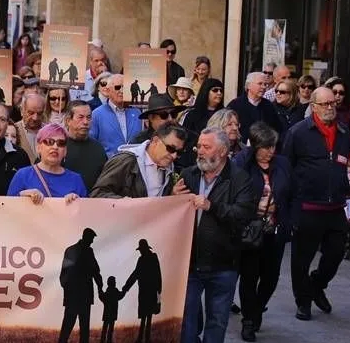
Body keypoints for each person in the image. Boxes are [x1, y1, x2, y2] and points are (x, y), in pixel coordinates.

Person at [173, 128, 254, 343]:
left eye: (206, 147)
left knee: (217, 322)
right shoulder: (188, 174)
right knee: (186, 324)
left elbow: (243, 215)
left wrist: (212, 206)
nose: (199, 151)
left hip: (223, 264)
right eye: (199, 146)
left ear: (223, 151)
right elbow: (171, 213)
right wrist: (172, 197)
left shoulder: (240, 179)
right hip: (190, 264)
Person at [282, 86, 350, 321]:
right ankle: (303, 301)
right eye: (325, 104)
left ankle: (316, 284)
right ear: (313, 106)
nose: (331, 108)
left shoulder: (343, 131)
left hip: (335, 207)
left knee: (336, 253)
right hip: (307, 206)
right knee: (301, 258)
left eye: (333, 103)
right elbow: (286, 167)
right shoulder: (298, 132)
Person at [231, 123, 291, 341]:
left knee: (271, 277)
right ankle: (249, 320)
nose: (270, 151)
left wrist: (288, 219)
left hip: (275, 228)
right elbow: (236, 193)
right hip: (251, 230)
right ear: (255, 146)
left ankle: (257, 309)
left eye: (273, 146)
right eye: (265, 147)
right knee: (249, 277)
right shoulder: (243, 165)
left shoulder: (283, 164)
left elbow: (291, 193)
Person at [91, 123, 187, 198]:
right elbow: (97, 193)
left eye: (179, 152)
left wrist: (172, 195)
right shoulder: (126, 160)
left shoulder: (169, 167)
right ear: (156, 141)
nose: (174, 156)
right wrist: (124, 202)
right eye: (171, 148)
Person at [8, 123, 87, 202]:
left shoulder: (76, 180)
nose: (55, 147)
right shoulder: (23, 175)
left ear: (65, 151)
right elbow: (7, 208)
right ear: (38, 147)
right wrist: (22, 195)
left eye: (61, 143)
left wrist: (77, 202)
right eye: (49, 142)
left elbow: (87, 211)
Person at [57, 228, 104, 343]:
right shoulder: (81, 251)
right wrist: (100, 287)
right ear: (86, 237)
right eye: (91, 239)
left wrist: (99, 287)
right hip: (79, 297)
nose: (92, 241)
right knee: (76, 328)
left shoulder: (77, 250)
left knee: (73, 328)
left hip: (78, 297)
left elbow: (64, 274)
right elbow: (95, 271)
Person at [90, 75, 143, 157]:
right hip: (110, 166)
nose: (121, 91)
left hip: (135, 165)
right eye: (117, 87)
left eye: (124, 88)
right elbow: (92, 145)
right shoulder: (96, 114)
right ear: (108, 91)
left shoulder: (137, 113)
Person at [62, 101, 108, 193]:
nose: (85, 122)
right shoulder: (58, 146)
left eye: (88, 117)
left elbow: (105, 181)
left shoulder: (98, 148)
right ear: (68, 120)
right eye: (80, 117)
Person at [122, 239, 163, 343]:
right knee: (147, 316)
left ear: (143, 249)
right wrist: (126, 287)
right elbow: (158, 276)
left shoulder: (144, 259)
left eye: (140, 249)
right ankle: (144, 338)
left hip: (147, 292)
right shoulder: (150, 258)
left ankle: (142, 338)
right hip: (149, 292)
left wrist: (125, 288)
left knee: (146, 316)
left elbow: (135, 275)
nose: (140, 251)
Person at [227, 72, 282, 143]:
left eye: (265, 84)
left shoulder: (269, 106)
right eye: (260, 84)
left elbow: (277, 129)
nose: (263, 87)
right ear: (249, 86)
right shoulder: (235, 105)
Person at [14, 92, 46, 164]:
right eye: (31, 113)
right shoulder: (13, 130)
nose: (35, 118)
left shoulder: (50, 131)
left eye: (39, 113)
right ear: (22, 111)